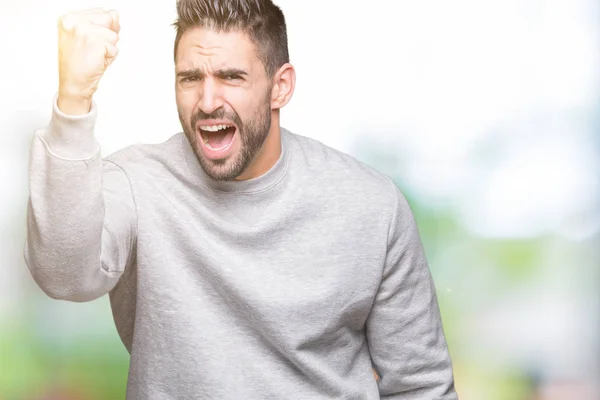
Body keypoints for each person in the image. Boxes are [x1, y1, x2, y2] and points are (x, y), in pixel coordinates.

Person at [24, 0, 458, 398]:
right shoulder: (137, 185)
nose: (208, 101)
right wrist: (74, 101)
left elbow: (420, 384)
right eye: (191, 78)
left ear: (280, 86)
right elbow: (63, 276)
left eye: (231, 77)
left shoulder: (371, 205)